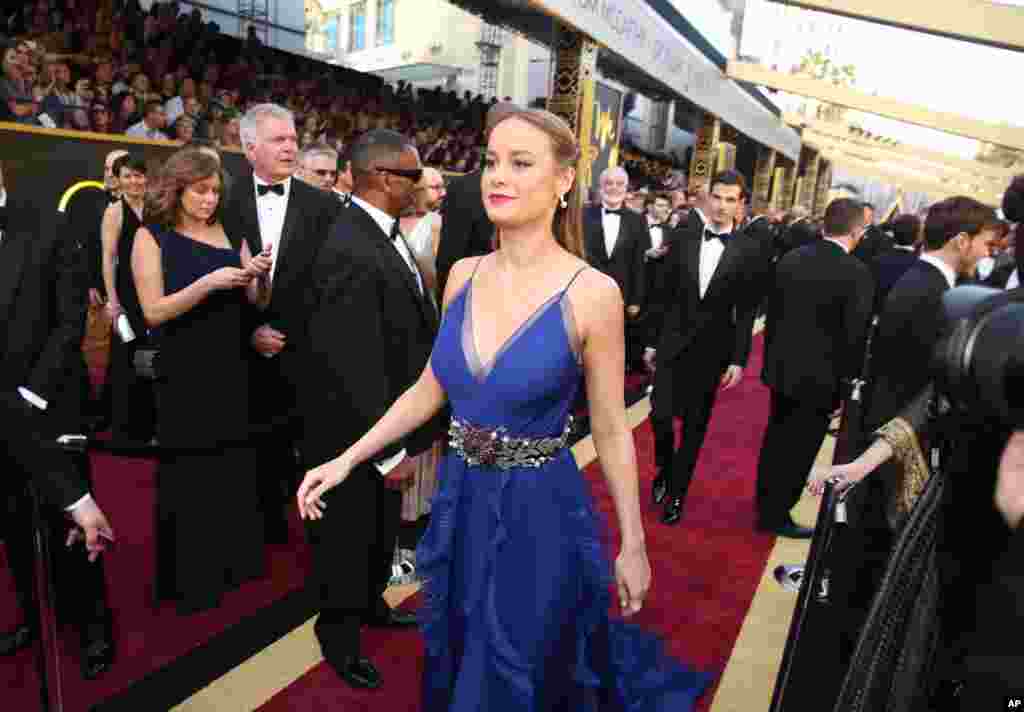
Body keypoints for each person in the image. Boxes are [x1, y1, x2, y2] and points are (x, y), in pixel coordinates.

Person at [297, 110, 711, 709]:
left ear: (565, 180)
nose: (498, 176)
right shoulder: (462, 275)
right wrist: (347, 459)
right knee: (464, 645)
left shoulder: (593, 293)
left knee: (524, 660)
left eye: (521, 163)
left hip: (538, 509)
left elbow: (612, 428)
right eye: (492, 161)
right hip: (461, 499)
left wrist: (633, 541)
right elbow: (429, 388)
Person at [295, 129, 445, 690]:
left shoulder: (378, 232)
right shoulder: (349, 246)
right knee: (346, 543)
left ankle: (370, 606)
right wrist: (387, 455)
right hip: (354, 437)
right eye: (414, 173)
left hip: (382, 429)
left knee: (378, 535)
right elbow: (349, 366)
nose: (424, 182)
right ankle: (338, 639)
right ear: (385, 179)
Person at [132, 148, 272, 615]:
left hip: (234, 365)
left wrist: (256, 277)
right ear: (177, 187)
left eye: (215, 191)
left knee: (232, 466)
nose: (210, 199)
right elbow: (153, 311)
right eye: (200, 191)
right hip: (185, 370)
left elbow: (254, 298)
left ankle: (235, 564)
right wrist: (208, 283)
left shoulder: (230, 229)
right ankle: (191, 577)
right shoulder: (151, 237)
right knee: (189, 473)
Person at [0, 165, 116, 677]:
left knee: (71, 523)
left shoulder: (48, 223)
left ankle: (92, 628)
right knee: (13, 525)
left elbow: (71, 317)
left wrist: (33, 393)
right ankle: (34, 615)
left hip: (48, 405)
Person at [222, 103, 341, 545]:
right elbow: (207, 278)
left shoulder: (324, 206)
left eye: (293, 138)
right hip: (239, 354)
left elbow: (331, 283)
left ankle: (313, 530)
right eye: (279, 140)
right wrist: (248, 332)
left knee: (309, 443)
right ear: (250, 148)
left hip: (306, 350)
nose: (291, 146)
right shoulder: (223, 200)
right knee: (252, 451)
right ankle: (258, 530)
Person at [643, 170, 771, 526]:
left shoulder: (750, 249)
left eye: (731, 199)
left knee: (695, 428)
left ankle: (677, 493)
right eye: (718, 197)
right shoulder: (682, 234)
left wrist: (738, 358)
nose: (722, 206)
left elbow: (746, 310)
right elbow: (663, 293)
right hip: (672, 340)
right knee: (660, 416)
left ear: (740, 204)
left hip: (712, 348)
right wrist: (652, 340)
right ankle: (665, 470)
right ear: (707, 197)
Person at [755, 198, 874, 538]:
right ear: (856, 231)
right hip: (821, 383)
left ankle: (765, 507)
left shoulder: (792, 259)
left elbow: (772, 317)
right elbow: (855, 337)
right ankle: (777, 514)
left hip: (781, 371)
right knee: (800, 449)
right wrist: (845, 386)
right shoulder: (857, 274)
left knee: (775, 439)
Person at [435, 101, 518, 300]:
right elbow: (449, 261)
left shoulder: (464, 188)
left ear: (485, 134)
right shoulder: (464, 190)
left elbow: (448, 262)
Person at [100, 154, 156, 442]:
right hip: (127, 293)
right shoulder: (114, 213)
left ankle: (151, 424)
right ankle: (127, 428)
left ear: (146, 178)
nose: (134, 181)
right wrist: (114, 301)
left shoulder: (157, 208)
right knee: (127, 356)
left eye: (139, 175)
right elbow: (108, 260)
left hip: (156, 288)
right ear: (118, 180)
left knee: (154, 354)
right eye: (128, 176)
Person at [583, 166, 647, 369]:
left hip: (619, 296)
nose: (614, 188)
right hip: (586, 292)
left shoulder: (637, 220)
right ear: (601, 187)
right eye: (609, 183)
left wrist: (635, 300)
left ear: (626, 188)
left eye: (619, 184)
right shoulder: (584, 214)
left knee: (608, 354)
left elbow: (638, 263)